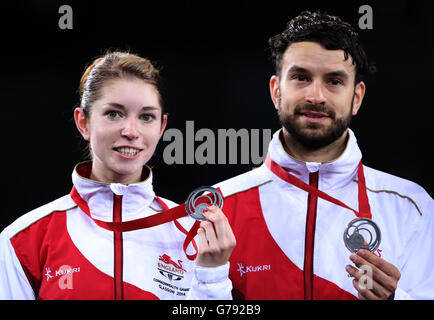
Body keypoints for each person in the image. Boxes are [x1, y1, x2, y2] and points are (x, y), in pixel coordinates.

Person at [212, 11, 434, 300]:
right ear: (276, 90)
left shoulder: (412, 207)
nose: (316, 96)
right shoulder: (219, 207)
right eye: (301, 77)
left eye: (334, 81)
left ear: (356, 97)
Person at [0, 51, 236, 300]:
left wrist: (212, 277)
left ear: (161, 127)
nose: (131, 131)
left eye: (146, 117)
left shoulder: (193, 235)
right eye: (114, 113)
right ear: (83, 122)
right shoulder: (24, 240)